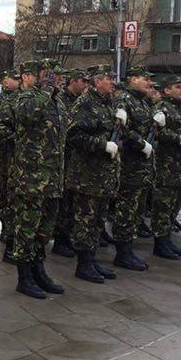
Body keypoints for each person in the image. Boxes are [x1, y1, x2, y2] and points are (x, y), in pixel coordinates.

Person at [7, 60, 68, 298]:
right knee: (27, 228)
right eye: (45, 74)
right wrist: (45, 89)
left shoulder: (56, 100)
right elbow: (27, 115)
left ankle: (38, 270)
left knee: (44, 229)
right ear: (30, 76)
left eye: (53, 75)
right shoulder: (25, 97)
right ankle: (24, 277)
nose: (51, 79)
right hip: (31, 178)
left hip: (52, 177)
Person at [64, 65, 124, 283]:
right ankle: (83, 264)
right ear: (97, 82)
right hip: (87, 176)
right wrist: (102, 145)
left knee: (98, 221)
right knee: (85, 220)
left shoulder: (106, 103)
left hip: (103, 176)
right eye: (109, 78)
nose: (113, 82)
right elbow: (73, 136)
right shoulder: (85, 103)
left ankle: (92, 259)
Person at [110, 66, 156, 271]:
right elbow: (119, 129)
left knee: (135, 206)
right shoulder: (125, 101)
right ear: (133, 79)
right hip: (128, 163)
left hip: (141, 165)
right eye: (146, 78)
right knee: (126, 207)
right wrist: (141, 143)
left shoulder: (142, 102)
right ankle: (122, 252)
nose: (149, 83)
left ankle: (128, 247)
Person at [150, 75, 181, 259]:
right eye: (178, 87)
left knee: (175, 206)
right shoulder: (161, 108)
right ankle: (160, 243)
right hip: (167, 167)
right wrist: (177, 138)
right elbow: (155, 133)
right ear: (167, 90)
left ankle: (167, 239)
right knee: (163, 206)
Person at [52, 68, 90, 258]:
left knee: (72, 201)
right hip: (64, 157)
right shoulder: (61, 99)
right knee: (64, 201)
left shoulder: (79, 101)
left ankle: (68, 237)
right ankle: (60, 239)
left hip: (76, 160)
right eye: (83, 81)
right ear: (73, 81)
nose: (85, 85)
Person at [0, 70, 21, 263]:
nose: (17, 81)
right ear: (5, 81)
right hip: (6, 156)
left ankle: (11, 230)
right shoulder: (3, 100)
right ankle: (6, 229)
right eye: (14, 78)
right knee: (6, 193)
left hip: (18, 158)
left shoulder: (20, 98)